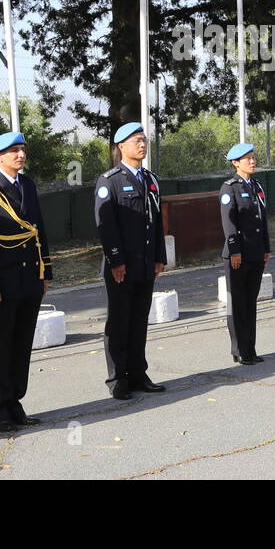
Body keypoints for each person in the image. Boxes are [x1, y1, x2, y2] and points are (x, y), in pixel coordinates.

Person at [0, 131, 52, 432]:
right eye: (14, 151)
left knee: (22, 343)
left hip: (30, 276)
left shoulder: (27, 185)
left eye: (22, 150)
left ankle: (16, 403)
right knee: (2, 344)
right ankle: (0, 409)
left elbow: (38, 229)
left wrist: (46, 272)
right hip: (3, 282)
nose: (20, 155)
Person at [95, 123, 167, 400]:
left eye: (144, 139)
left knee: (139, 320)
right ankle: (117, 378)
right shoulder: (109, 181)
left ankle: (138, 374)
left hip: (146, 263)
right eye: (136, 141)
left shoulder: (151, 179)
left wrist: (159, 257)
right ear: (121, 146)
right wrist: (116, 260)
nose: (142, 144)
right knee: (119, 321)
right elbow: (106, 225)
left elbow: (156, 222)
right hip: (121, 265)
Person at [220, 142, 270, 364]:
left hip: (256, 252)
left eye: (252, 157)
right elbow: (228, 223)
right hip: (238, 254)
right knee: (238, 304)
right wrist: (235, 251)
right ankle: (239, 349)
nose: (252, 161)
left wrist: (266, 247)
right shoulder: (229, 188)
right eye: (246, 158)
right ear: (235, 163)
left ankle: (250, 348)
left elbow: (262, 220)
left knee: (250, 302)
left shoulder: (256, 185)